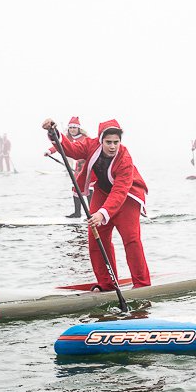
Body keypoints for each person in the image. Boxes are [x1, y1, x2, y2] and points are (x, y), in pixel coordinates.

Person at [41, 117, 151, 290]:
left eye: (116, 142)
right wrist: (53, 133)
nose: (113, 146)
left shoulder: (125, 159)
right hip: (102, 192)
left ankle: (142, 284)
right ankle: (107, 284)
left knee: (132, 240)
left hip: (127, 197)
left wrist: (103, 213)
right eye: (108, 142)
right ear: (101, 140)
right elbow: (71, 150)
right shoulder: (91, 145)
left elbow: (120, 191)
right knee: (95, 238)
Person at [45, 116, 89, 218]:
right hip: (78, 168)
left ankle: (91, 214)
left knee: (89, 190)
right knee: (75, 189)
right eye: (70, 128)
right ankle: (77, 213)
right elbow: (59, 145)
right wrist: (50, 151)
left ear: (78, 128)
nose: (72, 130)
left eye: (74, 128)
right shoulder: (68, 138)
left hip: (88, 168)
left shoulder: (85, 138)